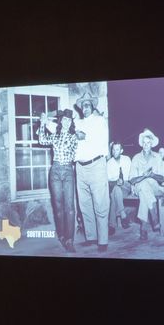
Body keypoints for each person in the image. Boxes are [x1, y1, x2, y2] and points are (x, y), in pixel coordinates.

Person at [35, 108, 82, 252]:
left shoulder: (75, 137)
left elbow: (79, 150)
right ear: (61, 121)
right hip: (55, 171)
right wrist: (43, 123)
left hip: (68, 171)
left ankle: (70, 240)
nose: (67, 122)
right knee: (58, 206)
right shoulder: (55, 135)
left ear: (71, 122)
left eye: (69, 120)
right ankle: (61, 235)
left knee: (70, 207)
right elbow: (42, 140)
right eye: (64, 119)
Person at [73, 95, 113, 252]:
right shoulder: (78, 123)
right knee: (85, 204)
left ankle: (103, 241)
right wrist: (47, 121)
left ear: (93, 106)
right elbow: (63, 130)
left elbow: (101, 140)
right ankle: (91, 237)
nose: (85, 107)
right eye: (83, 105)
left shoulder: (99, 121)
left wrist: (85, 136)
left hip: (96, 165)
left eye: (88, 105)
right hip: (80, 167)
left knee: (100, 204)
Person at [132, 130, 164, 231]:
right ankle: (154, 219)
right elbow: (132, 180)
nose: (146, 145)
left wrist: (152, 175)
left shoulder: (157, 157)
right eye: (144, 143)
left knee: (144, 192)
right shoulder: (136, 158)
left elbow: (162, 178)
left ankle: (144, 227)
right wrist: (144, 177)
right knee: (143, 185)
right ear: (141, 144)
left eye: (148, 143)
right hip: (139, 187)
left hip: (155, 187)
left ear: (152, 144)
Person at [107, 142, 132, 232]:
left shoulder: (127, 160)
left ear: (121, 150)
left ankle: (112, 225)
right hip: (114, 186)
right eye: (113, 149)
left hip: (126, 185)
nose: (115, 151)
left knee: (115, 194)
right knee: (116, 191)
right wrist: (115, 182)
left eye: (117, 149)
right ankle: (123, 215)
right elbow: (108, 180)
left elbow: (131, 175)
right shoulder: (109, 163)